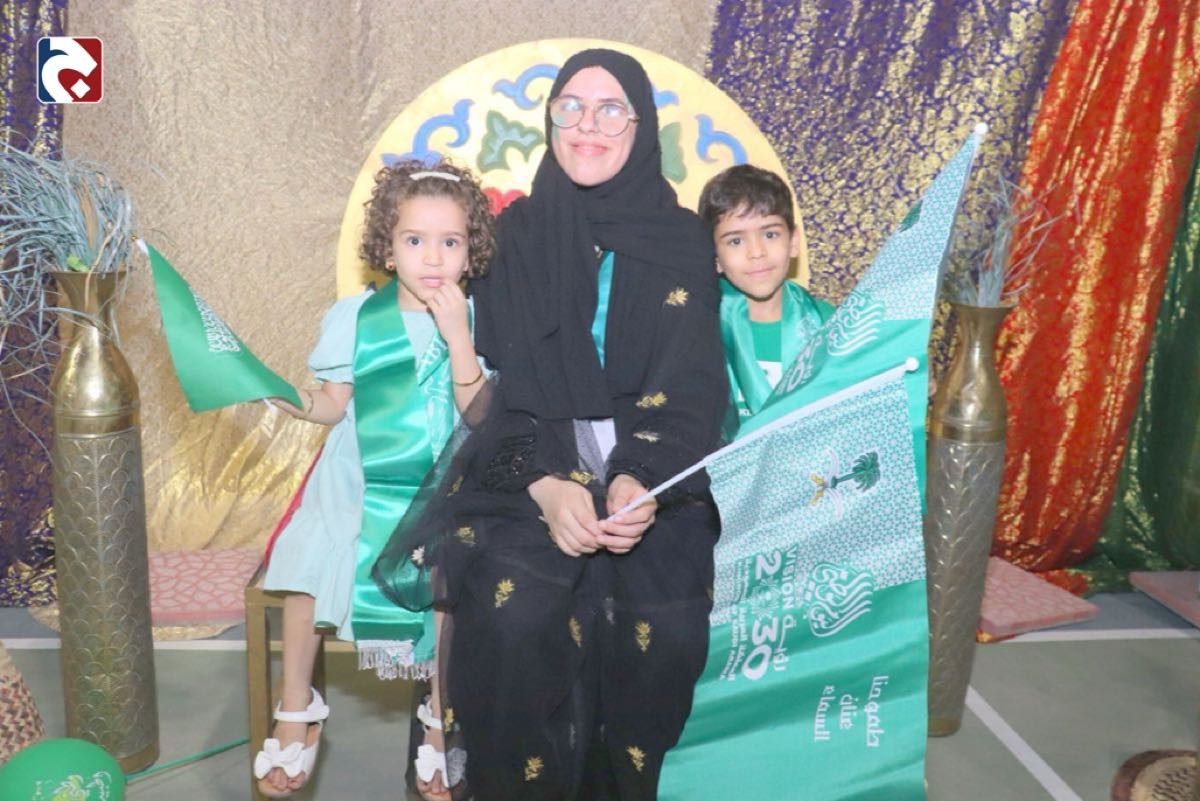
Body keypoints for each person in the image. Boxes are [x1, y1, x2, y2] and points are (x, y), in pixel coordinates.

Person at [374, 47, 728, 801]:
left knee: (664, 630)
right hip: (526, 460)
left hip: (654, 470)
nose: (588, 125)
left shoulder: (683, 243)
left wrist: (637, 481)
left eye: (610, 110)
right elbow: (492, 390)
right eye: (571, 107)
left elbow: (693, 386)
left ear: (641, 124)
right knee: (514, 618)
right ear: (550, 120)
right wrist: (543, 485)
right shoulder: (515, 236)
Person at [253, 159, 494, 798]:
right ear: (387, 248)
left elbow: (481, 415)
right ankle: (296, 705)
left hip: (443, 484)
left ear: (471, 250)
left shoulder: (479, 317)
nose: (433, 257)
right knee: (309, 563)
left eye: (450, 241)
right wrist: (288, 399)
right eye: (415, 240)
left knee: (446, 584)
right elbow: (332, 404)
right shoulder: (356, 315)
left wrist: (458, 336)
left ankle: (439, 713)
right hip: (356, 479)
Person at [697, 163, 832, 425]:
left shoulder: (829, 323)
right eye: (736, 241)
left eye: (770, 234)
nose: (756, 252)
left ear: (793, 242)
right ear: (714, 256)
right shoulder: (698, 329)